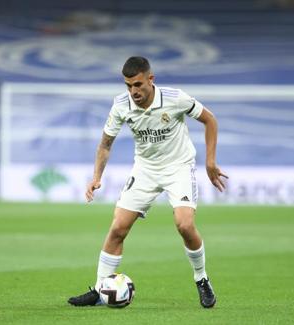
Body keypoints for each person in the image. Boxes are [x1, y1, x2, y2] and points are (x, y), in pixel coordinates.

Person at [67, 56, 228, 308]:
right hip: (145, 169)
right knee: (118, 227)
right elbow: (105, 144)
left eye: (138, 84)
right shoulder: (121, 105)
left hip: (179, 168)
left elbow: (210, 120)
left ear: (150, 80)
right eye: (128, 86)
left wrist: (210, 162)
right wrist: (97, 178)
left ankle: (202, 279)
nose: (133, 91)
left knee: (184, 225)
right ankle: (100, 290)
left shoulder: (175, 98)